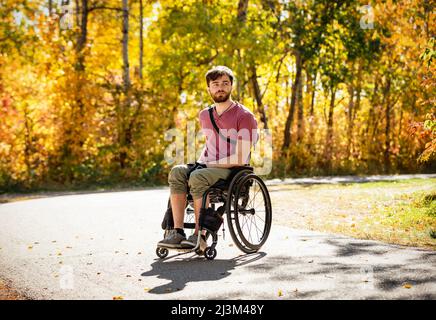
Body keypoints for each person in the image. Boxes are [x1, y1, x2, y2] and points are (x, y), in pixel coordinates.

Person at [157, 65, 258, 251]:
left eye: (225, 83)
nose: (220, 87)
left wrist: (210, 164)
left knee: (198, 177)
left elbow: (242, 156)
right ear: (209, 88)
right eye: (216, 84)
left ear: (231, 86)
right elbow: (212, 144)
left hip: (233, 169)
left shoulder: (245, 116)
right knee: (177, 172)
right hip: (207, 165)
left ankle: (199, 236)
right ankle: (176, 232)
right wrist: (202, 163)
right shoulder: (205, 115)